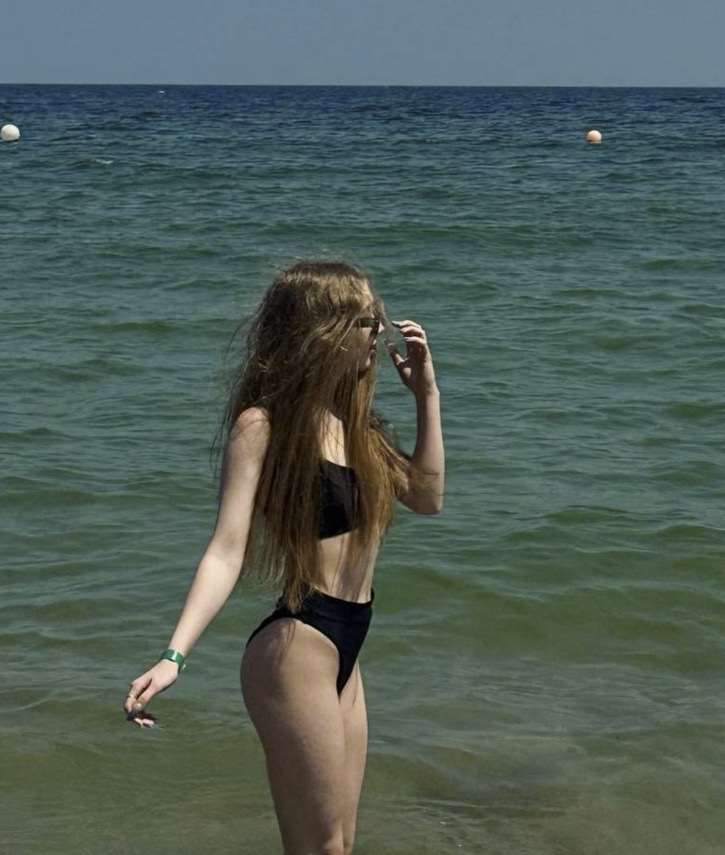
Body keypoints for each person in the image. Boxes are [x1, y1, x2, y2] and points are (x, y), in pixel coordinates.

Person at [122, 259, 445, 855]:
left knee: (339, 844)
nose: (379, 331)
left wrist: (427, 395)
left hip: (350, 642)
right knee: (321, 847)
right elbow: (226, 550)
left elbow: (427, 498)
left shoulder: (360, 428)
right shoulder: (263, 427)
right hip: (299, 644)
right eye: (365, 320)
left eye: (376, 318)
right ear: (323, 331)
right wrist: (173, 656)